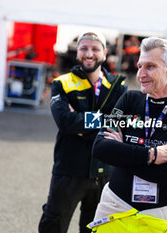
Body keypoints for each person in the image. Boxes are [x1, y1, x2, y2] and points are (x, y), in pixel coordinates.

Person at [90, 37, 167, 231]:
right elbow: (100, 148)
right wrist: (151, 155)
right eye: (140, 66)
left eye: (150, 67)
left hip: (162, 213)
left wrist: (122, 153)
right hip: (115, 204)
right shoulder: (128, 99)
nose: (141, 74)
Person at [38, 31, 127, 233]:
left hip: (105, 172)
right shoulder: (62, 83)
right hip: (69, 169)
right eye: (84, 48)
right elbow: (65, 122)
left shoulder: (118, 85)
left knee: (97, 229)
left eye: (95, 49)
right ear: (77, 52)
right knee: (53, 225)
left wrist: (81, 123)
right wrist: (102, 121)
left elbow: (119, 123)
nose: (89, 53)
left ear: (104, 53)